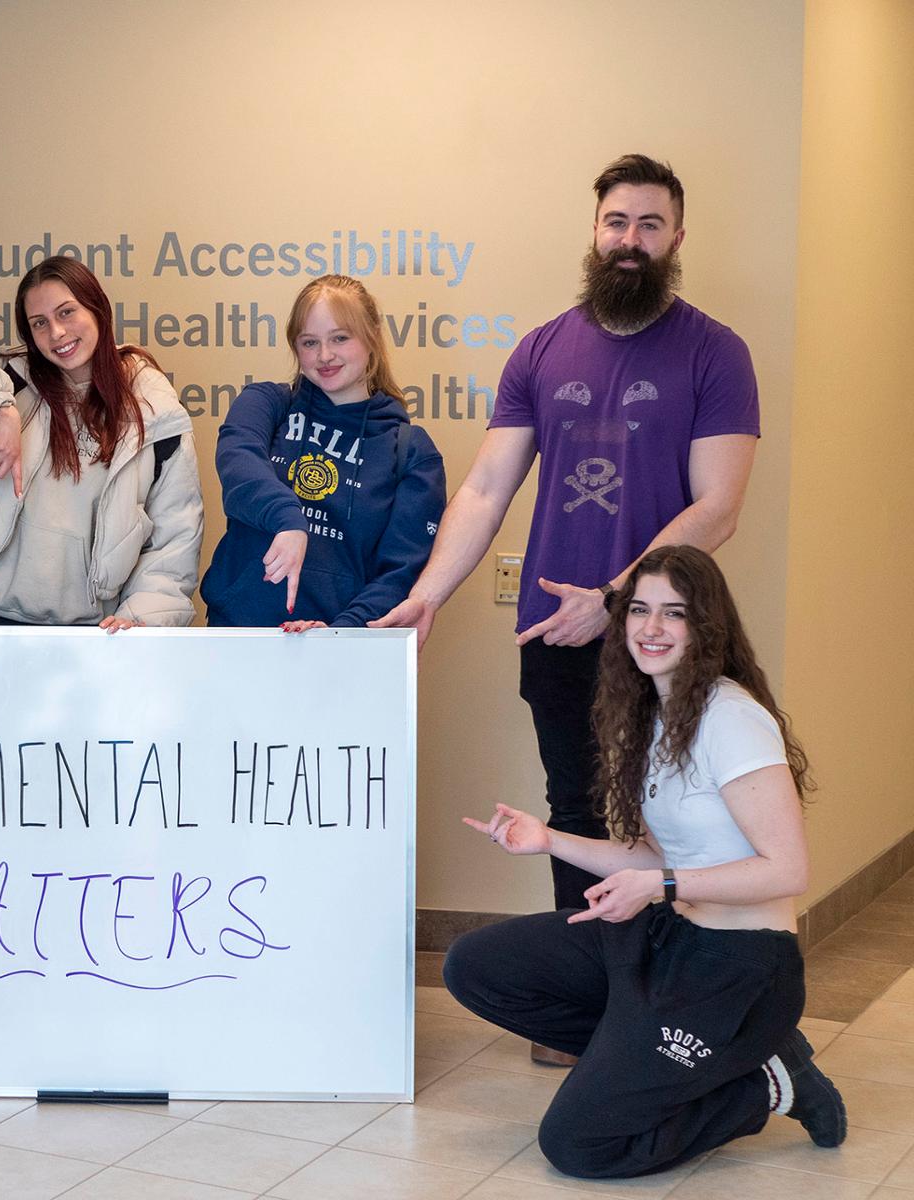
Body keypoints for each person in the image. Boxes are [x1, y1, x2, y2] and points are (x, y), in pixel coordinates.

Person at [376, 155, 760, 1063]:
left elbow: (718, 506)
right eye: (617, 222)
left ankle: (678, 1005)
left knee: (678, 812)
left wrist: (618, 601)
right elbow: (485, 489)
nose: (632, 241)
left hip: (671, 631)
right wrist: (427, 595)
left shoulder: (717, 351)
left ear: (677, 238)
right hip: (556, 630)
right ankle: (583, 1009)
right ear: (595, 231)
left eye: (651, 224)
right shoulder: (541, 349)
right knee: (577, 806)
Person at [445, 545, 845, 1178]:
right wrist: (548, 839)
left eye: (674, 613)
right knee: (476, 965)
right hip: (667, 937)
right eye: (639, 610)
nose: (651, 628)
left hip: (737, 968)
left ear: (705, 627)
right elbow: (660, 855)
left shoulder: (731, 719)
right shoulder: (657, 714)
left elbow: (788, 869)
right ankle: (646, 1058)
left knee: (577, 1145)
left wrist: (660, 884)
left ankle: (762, 1084)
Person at [0, 255, 203, 628]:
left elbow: (175, 537)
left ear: (97, 308)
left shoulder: (156, 410)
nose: (56, 332)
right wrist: (0, 409)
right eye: (40, 323)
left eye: (67, 312)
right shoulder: (8, 382)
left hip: (99, 632)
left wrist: (140, 620)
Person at [200, 274, 445, 628]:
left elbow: (399, 572)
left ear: (371, 336)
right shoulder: (267, 403)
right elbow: (239, 466)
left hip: (340, 654)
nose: (324, 355)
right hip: (237, 637)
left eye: (340, 338)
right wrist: (288, 520)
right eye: (310, 342)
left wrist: (337, 635)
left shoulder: (411, 451)